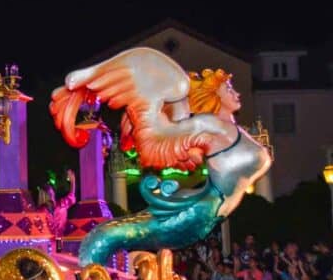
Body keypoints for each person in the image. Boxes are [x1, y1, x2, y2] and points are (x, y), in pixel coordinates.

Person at [54, 52, 272, 267]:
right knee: (106, 237)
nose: (237, 94)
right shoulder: (210, 126)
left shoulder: (232, 129)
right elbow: (163, 133)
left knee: (110, 237)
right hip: (201, 213)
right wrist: (153, 104)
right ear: (215, 95)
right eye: (228, 89)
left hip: (208, 211)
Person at [37, 169, 76, 237]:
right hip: (46, 242)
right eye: (47, 192)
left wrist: (73, 181)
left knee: (59, 247)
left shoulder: (62, 204)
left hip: (59, 239)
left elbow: (71, 196)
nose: (49, 193)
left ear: (54, 192)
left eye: (50, 190)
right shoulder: (41, 210)